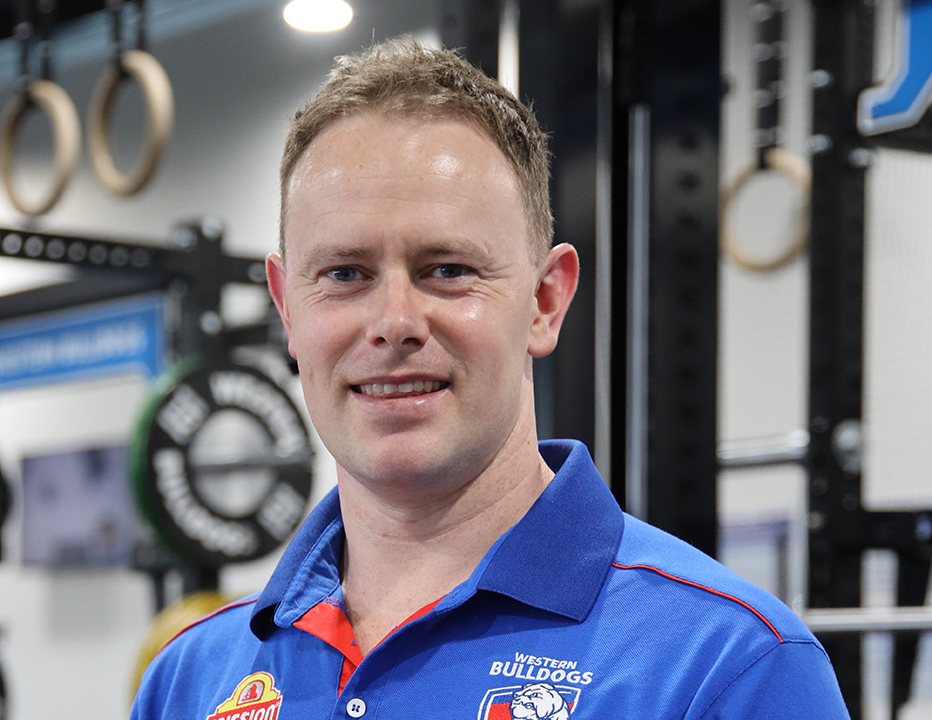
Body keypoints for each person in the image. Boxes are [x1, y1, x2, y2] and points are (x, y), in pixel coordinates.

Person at [131, 37, 849, 719]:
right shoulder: (191, 680)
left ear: (545, 301)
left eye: (447, 271)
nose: (394, 321)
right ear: (288, 309)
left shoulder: (727, 667)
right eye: (345, 274)